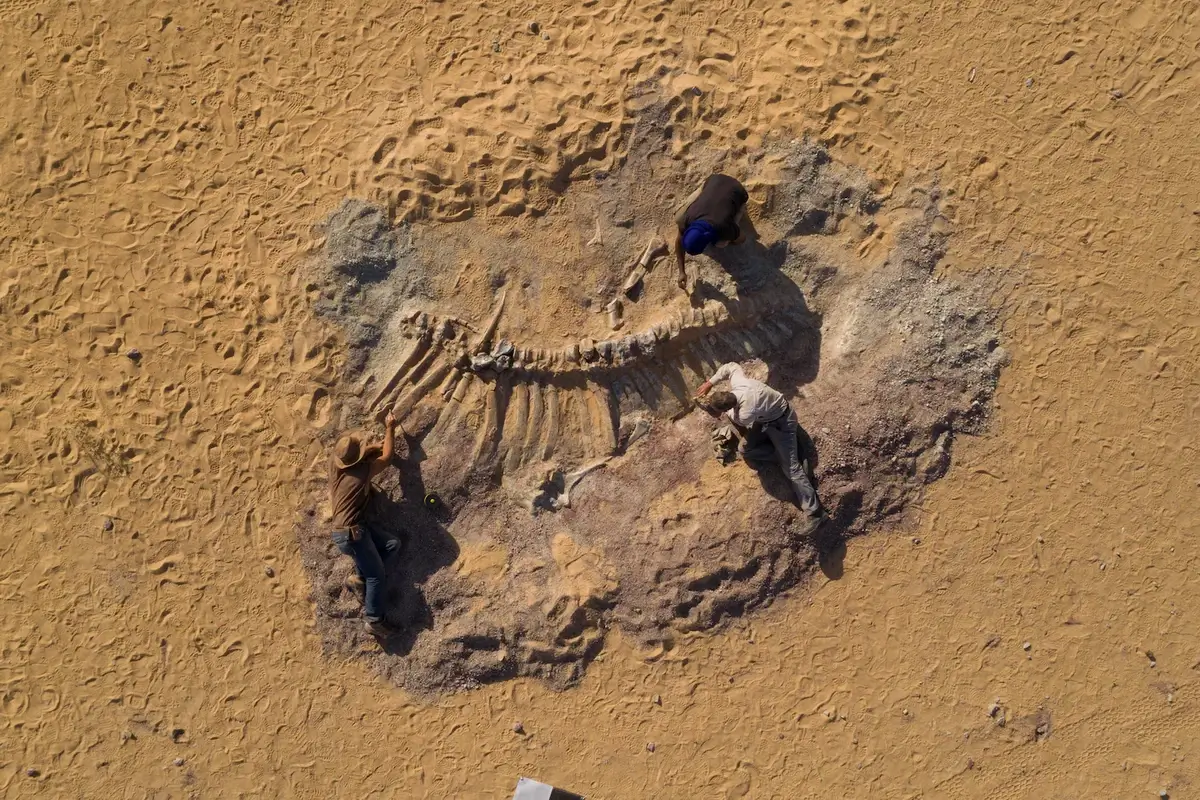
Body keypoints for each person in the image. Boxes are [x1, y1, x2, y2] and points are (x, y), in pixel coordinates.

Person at [696, 363, 824, 519]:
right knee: (745, 450)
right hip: (766, 418)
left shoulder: (746, 412)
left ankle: (815, 512)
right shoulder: (739, 383)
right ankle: (784, 454)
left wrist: (715, 413)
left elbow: (736, 418)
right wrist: (710, 382)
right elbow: (731, 367)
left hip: (782, 422)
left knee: (791, 469)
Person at [329, 410, 403, 636]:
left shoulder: (336, 467)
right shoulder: (361, 473)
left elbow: (362, 457)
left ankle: (358, 579)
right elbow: (388, 458)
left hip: (348, 531)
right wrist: (390, 429)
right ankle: (374, 620)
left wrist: (372, 448)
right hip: (353, 535)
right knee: (377, 576)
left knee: (391, 544)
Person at [674, 174, 750, 291]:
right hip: (715, 179)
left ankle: (735, 207)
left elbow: (742, 238)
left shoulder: (723, 229)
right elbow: (679, 240)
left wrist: (732, 234)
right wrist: (681, 272)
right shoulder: (688, 217)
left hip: (739, 190)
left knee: (721, 243)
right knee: (679, 218)